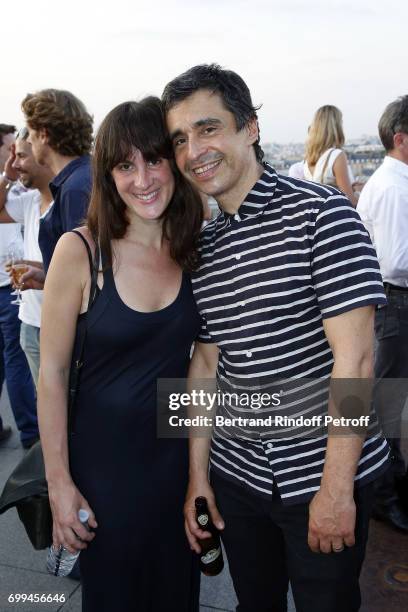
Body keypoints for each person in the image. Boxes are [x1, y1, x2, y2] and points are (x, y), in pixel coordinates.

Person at [163, 64, 390, 612]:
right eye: (180, 139)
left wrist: (336, 490)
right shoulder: (205, 245)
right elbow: (205, 367)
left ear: (251, 128)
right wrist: (199, 478)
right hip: (238, 480)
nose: (194, 150)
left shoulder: (324, 216)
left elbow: (356, 359)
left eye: (208, 128)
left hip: (320, 474)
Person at [37, 97, 202, 611]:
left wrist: (199, 477)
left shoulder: (193, 247)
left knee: (177, 597)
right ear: (108, 174)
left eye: (153, 159)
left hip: (174, 468)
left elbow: (201, 368)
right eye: (125, 165)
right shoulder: (81, 251)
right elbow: (51, 374)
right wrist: (59, 485)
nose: (143, 179)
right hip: (103, 474)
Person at [358, 95, 408, 532]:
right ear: (401, 138)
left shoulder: (393, 181)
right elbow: (395, 262)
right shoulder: (394, 187)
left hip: (391, 304)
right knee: (385, 403)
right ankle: (384, 494)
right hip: (394, 302)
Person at [21, 88, 93, 282]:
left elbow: (84, 275)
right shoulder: (84, 176)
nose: (28, 139)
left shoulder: (76, 188)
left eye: (30, 132)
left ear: (43, 134)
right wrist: (46, 276)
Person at [0, 127, 53, 386]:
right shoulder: (30, 200)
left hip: (60, 325)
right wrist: (7, 177)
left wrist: (41, 270)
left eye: (21, 156)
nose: (16, 163)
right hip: (30, 324)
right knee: (45, 409)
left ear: (43, 155)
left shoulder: (71, 198)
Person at [0, 126, 38, 448]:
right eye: (10, 149)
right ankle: (31, 435)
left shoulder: (20, 192)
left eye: (19, 151)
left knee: (10, 359)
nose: (14, 157)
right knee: (16, 360)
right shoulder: (13, 189)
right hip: (12, 290)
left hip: (13, 288)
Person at [303, 105, 360, 206]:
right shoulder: (336, 155)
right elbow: (349, 201)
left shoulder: (308, 160)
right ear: (336, 126)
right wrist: (363, 193)